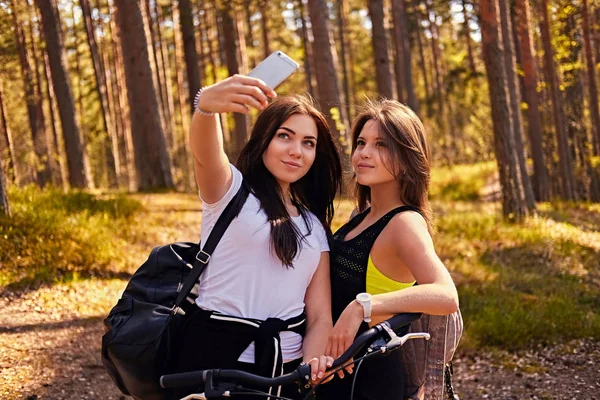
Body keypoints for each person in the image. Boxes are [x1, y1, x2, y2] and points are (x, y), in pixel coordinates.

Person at [172, 75, 342, 399]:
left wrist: (310, 366)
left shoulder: (314, 227)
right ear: (264, 138)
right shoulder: (230, 192)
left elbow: (320, 316)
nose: (296, 151)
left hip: (285, 370)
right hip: (214, 362)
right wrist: (205, 107)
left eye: (308, 143)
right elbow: (206, 153)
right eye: (284, 136)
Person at [316, 99, 460, 400]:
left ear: (407, 157)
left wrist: (362, 306)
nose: (364, 153)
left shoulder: (404, 222)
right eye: (361, 142)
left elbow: (446, 295)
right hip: (337, 372)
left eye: (381, 145)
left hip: (371, 379)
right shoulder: (361, 216)